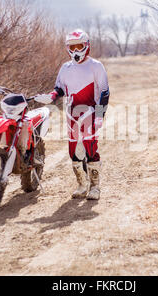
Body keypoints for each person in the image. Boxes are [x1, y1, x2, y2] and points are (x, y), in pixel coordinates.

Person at [35, 29, 109, 200]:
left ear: (87, 45)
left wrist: (99, 115)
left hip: (90, 112)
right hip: (71, 115)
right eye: (72, 47)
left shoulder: (96, 66)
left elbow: (104, 92)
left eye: (79, 46)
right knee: (73, 152)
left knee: (91, 148)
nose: (76, 51)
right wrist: (51, 96)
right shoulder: (65, 68)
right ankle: (82, 185)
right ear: (67, 48)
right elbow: (59, 88)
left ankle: (95, 187)